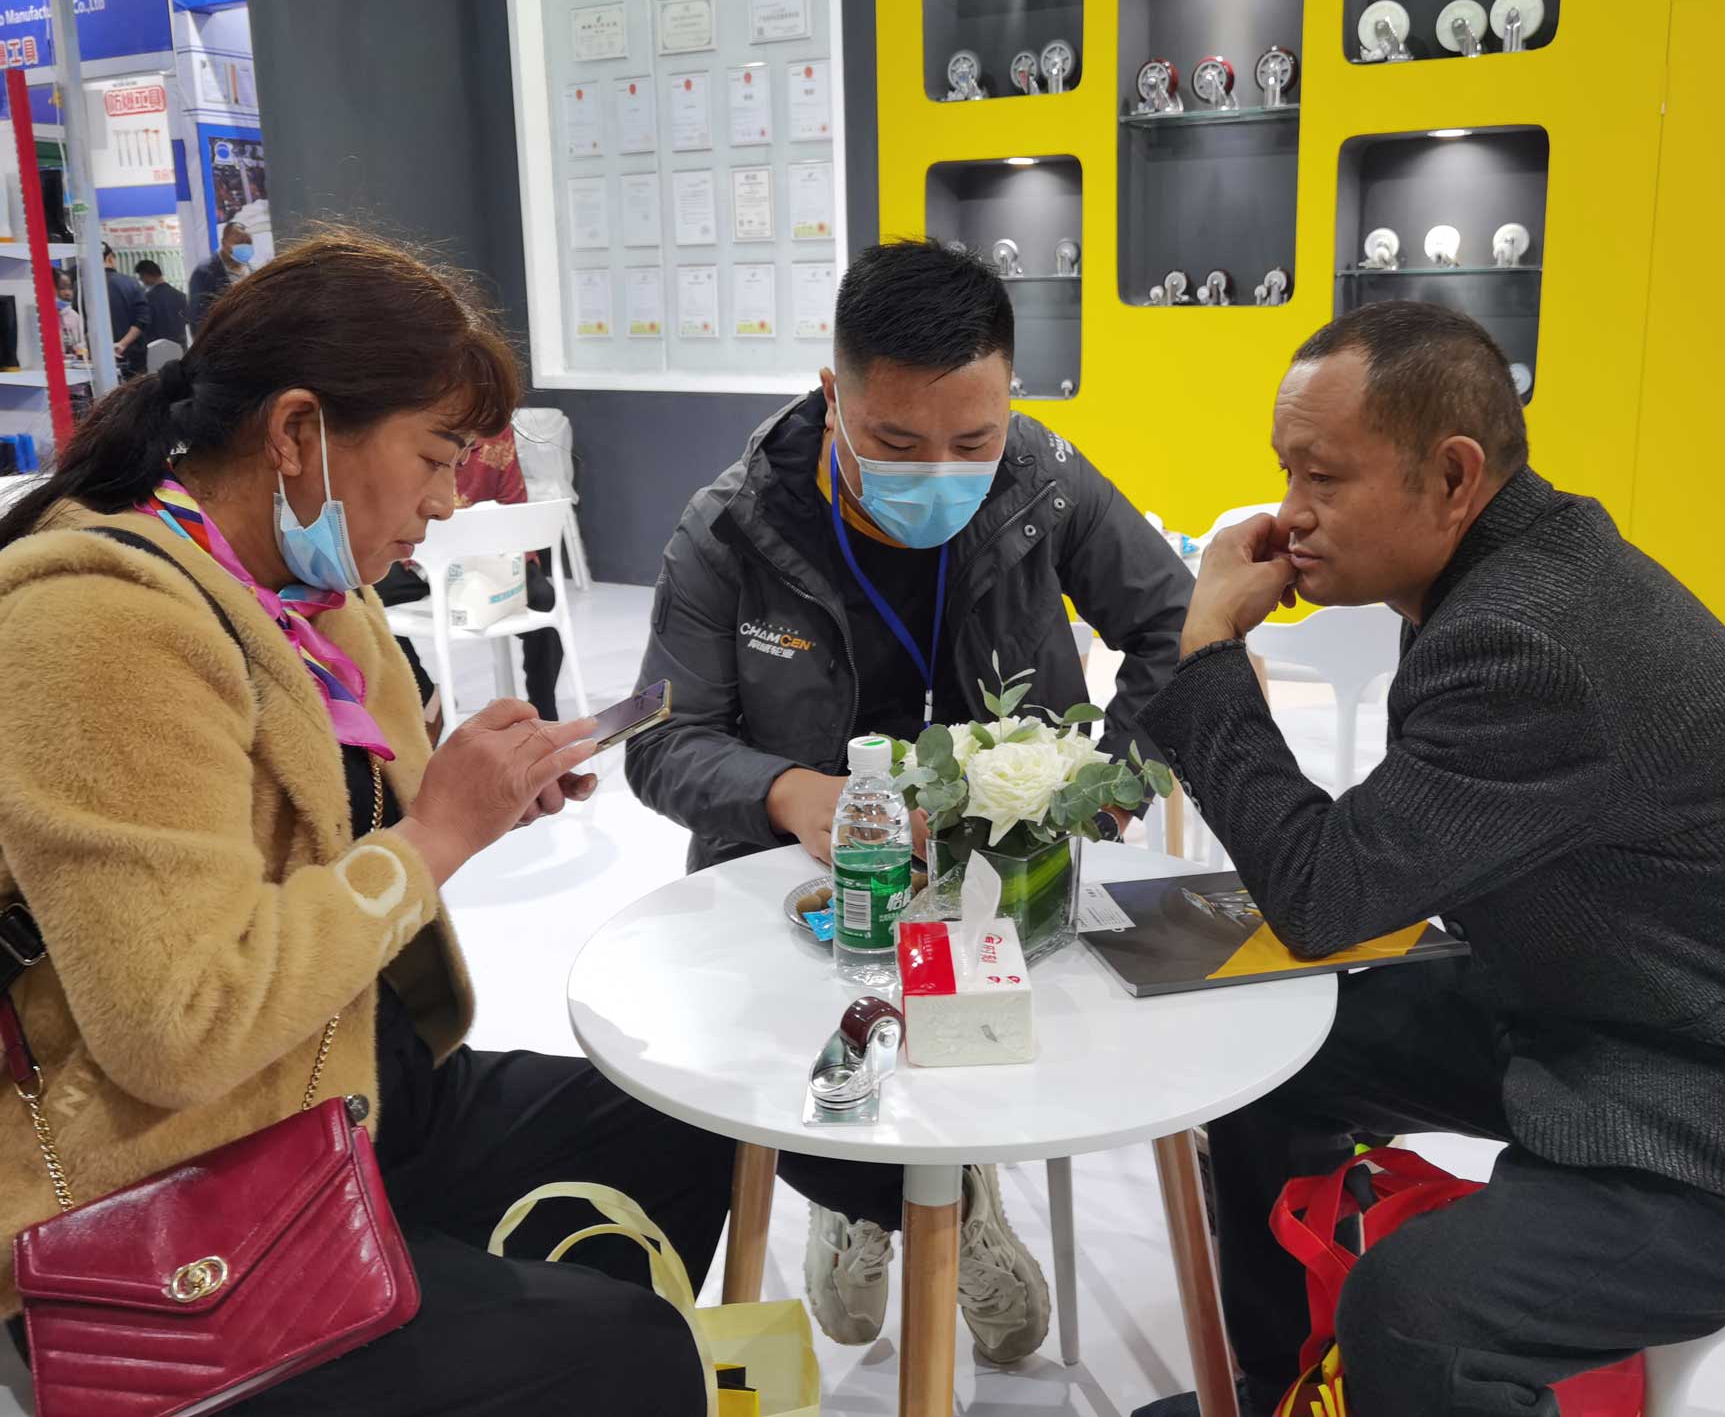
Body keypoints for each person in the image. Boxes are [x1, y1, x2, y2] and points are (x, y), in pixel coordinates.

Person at [1130, 301, 1725, 1417]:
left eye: (1323, 478)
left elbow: (1322, 894)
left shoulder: (1525, 635)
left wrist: (1211, 650)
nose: (1289, 513)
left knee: (1415, 1314)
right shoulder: (1500, 575)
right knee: (1274, 1064)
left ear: (1453, 477)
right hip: (1603, 1003)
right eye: (1285, 472)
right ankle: (1285, 1396)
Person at [0, 229, 736, 1415]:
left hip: (345, 1088)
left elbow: (345, 834)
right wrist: (432, 839)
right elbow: (176, 1029)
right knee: (629, 1352)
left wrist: (480, 799)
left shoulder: (306, 603)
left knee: (687, 1120)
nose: (449, 502)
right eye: (436, 456)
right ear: (297, 433)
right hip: (173, 1184)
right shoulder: (98, 623)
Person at [627, 237, 1195, 1363]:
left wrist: (1099, 789)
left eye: (971, 441)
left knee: (1030, 1031)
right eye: (894, 442)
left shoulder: (1042, 482)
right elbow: (660, 742)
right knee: (795, 1033)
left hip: (1003, 873)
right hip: (808, 886)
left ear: (1009, 399)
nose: (938, 469)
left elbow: (1177, 625)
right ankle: (896, 1198)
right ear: (832, 394)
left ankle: (935, 1186)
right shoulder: (733, 526)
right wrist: (787, 792)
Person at [379, 430, 569, 731]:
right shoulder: (418, 430)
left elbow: (513, 504)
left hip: (494, 557)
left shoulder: (498, 434)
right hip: (427, 556)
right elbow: (400, 505)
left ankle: (543, 712)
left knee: (545, 599)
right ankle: (428, 696)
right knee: (367, 598)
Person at [99, 243, 151, 380]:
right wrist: (122, 344)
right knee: (135, 391)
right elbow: (142, 320)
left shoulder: (81, 285)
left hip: (97, 358)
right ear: (110, 258)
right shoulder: (131, 283)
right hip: (132, 356)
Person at [189, 219, 255, 329]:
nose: (245, 246)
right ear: (224, 243)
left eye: (248, 242)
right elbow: (197, 319)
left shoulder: (252, 271)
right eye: (239, 242)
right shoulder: (204, 273)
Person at [135, 257, 191, 350]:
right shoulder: (181, 296)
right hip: (180, 348)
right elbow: (188, 320)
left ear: (147, 275)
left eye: (141, 277)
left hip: (157, 349)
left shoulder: (147, 299)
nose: (141, 280)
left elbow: (145, 326)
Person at [49, 269, 86, 362]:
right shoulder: (44, 317)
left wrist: (81, 353)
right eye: (62, 288)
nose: (67, 293)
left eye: (70, 288)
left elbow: (81, 344)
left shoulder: (75, 316)